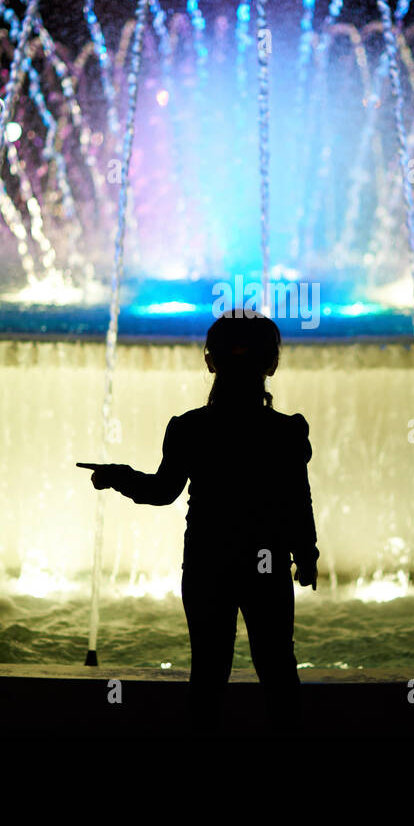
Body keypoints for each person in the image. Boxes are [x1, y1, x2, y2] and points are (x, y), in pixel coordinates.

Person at [78, 308, 318, 736]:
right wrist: (307, 555)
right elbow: (297, 500)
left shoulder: (190, 428)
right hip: (266, 563)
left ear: (210, 361)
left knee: (208, 671)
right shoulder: (285, 431)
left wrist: (117, 476)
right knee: (278, 667)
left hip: (209, 563)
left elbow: (161, 491)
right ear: (272, 364)